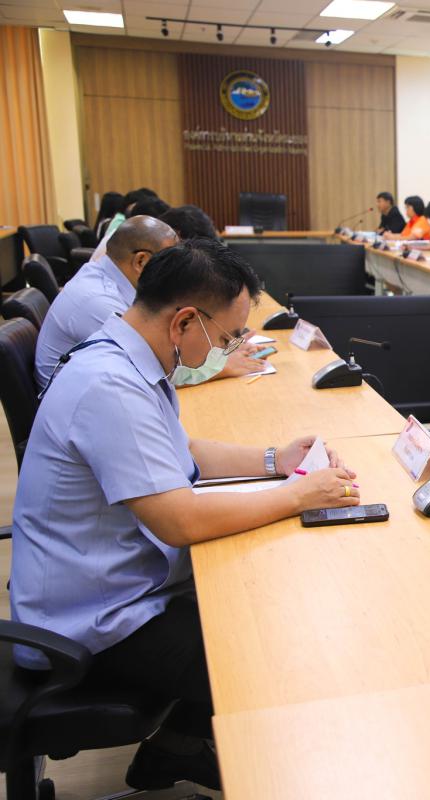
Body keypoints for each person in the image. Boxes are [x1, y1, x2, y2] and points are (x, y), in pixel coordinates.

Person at [10, 238, 361, 792]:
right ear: (185, 322)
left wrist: (276, 460)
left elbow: (182, 450)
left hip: (116, 587)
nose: (229, 349)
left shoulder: (125, 356)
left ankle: (174, 749)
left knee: (258, 598)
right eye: (227, 337)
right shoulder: (108, 385)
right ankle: (272, 777)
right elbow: (181, 522)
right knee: (270, 647)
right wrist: (298, 495)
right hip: (91, 621)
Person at [36, 217, 178, 389]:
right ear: (141, 261)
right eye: (170, 263)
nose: (176, 273)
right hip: (82, 400)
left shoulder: (105, 277)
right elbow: (158, 371)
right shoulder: (97, 301)